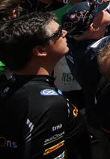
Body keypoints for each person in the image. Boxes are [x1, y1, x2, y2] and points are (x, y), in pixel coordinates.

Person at [0, 12, 91, 159]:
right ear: (40, 51)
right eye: (58, 32)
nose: (65, 33)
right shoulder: (48, 105)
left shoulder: (8, 86)